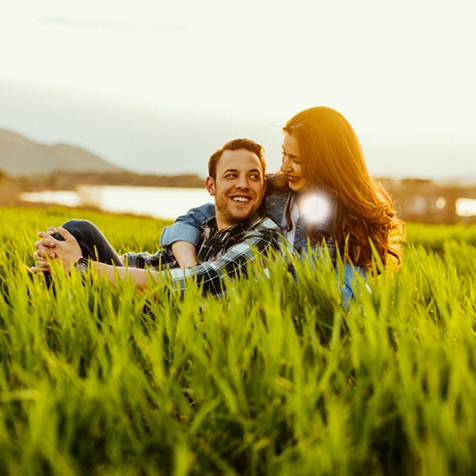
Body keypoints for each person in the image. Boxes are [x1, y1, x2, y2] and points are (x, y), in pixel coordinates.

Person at [160, 107, 405, 306]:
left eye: (296, 160)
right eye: (284, 154)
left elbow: (347, 302)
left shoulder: (352, 221)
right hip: (227, 303)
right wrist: (190, 267)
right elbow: (198, 217)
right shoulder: (275, 191)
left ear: (326, 162)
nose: (285, 167)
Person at [32, 138, 285, 296]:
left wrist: (82, 266)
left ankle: (44, 316)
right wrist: (69, 255)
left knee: (79, 238)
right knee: (75, 234)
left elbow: (203, 282)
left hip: (184, 328)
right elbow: (158, 264)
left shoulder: (265, 237)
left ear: (263, 187)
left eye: (253, 176)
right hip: (163, 309)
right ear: (211, 186)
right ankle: (44, 306)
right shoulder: (206, 228)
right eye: (231, 175)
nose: (243, 184)